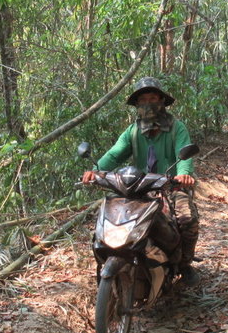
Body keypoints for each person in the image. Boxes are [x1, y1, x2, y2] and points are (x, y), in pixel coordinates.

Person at [82, 77, 201, 285]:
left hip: (170, 186)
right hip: (138, 188)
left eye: (152, 98)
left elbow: (184, 155)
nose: (148, 104)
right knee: (109, 216)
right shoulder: (133, 131)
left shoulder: (177, 127)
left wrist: (183, 175)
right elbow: (115, 154)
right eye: (143, 100)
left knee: (187, 219)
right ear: (137, 105)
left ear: (162, 101)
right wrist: (96, 171)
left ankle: (184, 264)